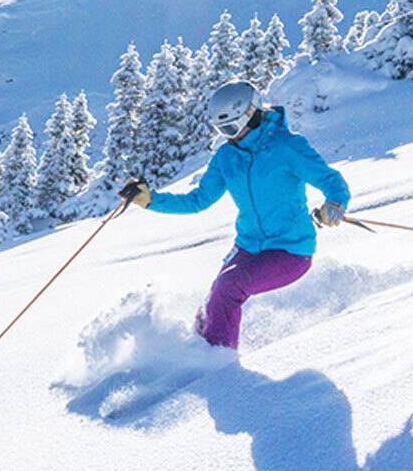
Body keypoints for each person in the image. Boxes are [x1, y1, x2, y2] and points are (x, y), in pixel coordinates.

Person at [119, 80, 350, 350]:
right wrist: (151, 201)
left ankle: (218, 366)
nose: (227, 136)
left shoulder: (287, 147)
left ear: (251, 113)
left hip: (290, 250)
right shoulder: (226, 157)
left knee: (228, 288)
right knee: (212, 302)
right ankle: (192, 352)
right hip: (247, 246)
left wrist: (335, 203)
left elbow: (331, 179)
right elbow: (198, 200)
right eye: (220, 129)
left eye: (230, 128)